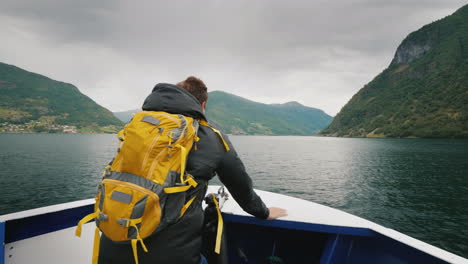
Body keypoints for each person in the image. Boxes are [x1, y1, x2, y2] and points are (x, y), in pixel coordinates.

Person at [98, 76, 287, 264]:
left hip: (111, 246)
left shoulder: (137, 127)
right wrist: (264, 212)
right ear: (202, 105)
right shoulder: (210, 136)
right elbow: (240, 186)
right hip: (173, 256)